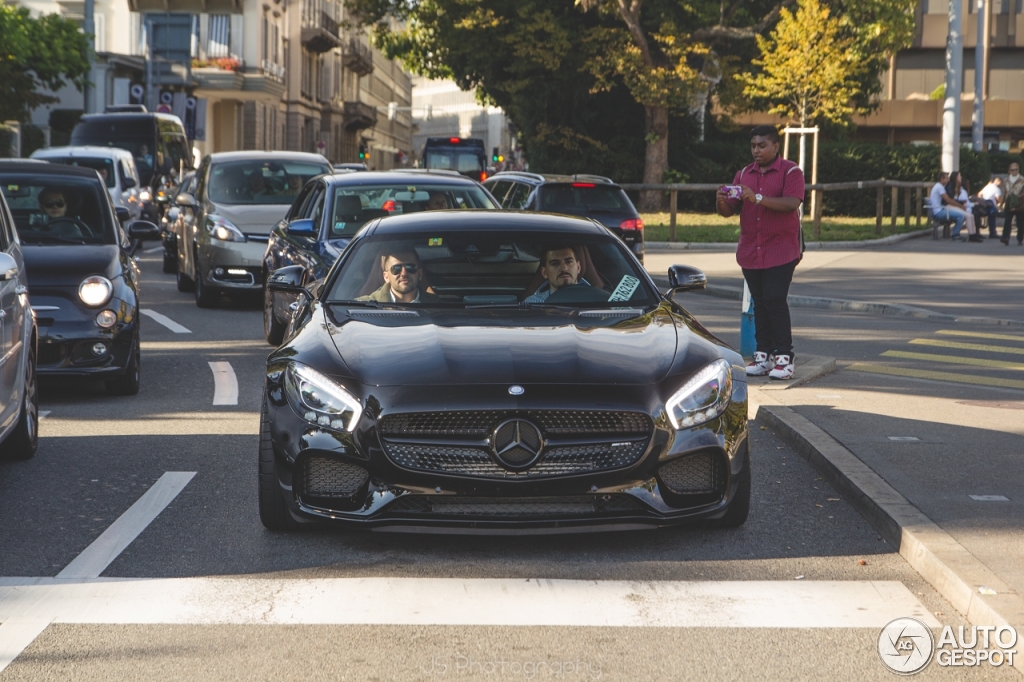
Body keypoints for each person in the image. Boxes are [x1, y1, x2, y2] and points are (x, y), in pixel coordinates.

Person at [716, 125, 804, 381]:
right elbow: (728, 210)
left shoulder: (791, 171)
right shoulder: (743, 173)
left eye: (762, 145)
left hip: (782, 249)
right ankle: (763, 355)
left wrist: (757, 198)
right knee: (760, 302)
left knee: (775, 299)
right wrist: (721, 200)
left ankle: (785, 358)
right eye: (753, 145)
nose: (756, 150)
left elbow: (792, 202)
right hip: (751, 251)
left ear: (776, 146)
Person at [357, 251, 437, 303]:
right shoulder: (363, 307)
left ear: (420, 274)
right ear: (386, 277)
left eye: (410, 267)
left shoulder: (438, 307)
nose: (404, 273)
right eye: (396, 268)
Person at [523, 246, 590, 303]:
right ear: (544, 272)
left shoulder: (595, 299)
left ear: (578, 267)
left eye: (569, 262)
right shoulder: (533, 304)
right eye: (555, 264)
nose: (564, 268)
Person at [945, 173, 982, 243]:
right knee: (968, 215)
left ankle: (973, 234)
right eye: (959, 176)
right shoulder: (950, 186)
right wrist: (961, 203)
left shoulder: (956, 186)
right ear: (956, 178)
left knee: (971, 215)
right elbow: (950, 199)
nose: (961, 177)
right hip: (949, 206)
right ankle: (971, 235)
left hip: (954, 205)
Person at [929, 171, 966, 240]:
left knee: (960, 215)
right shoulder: (939, 187)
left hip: (939, 210)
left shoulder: (938, 186)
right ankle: (955, 235)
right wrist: (960, 206)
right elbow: (948, 200)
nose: (948, 180)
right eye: (946, 178)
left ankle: (955, 233)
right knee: (961, 215)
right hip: (939, 212)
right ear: (941, 179)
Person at [1000, 162, 1024, 246]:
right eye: (1012, 170)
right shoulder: (1006, 180)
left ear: (1018, 170)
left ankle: (1020, 239)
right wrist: (1001, 204)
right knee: (1007, 221)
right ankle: (1005, 238)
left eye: (1016, 170)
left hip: (1019, 204)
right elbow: (1004, 192)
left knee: (1020, 223)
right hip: (1009, 203)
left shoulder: (1022, 180)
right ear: (1009, 171)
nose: (1014, 171)